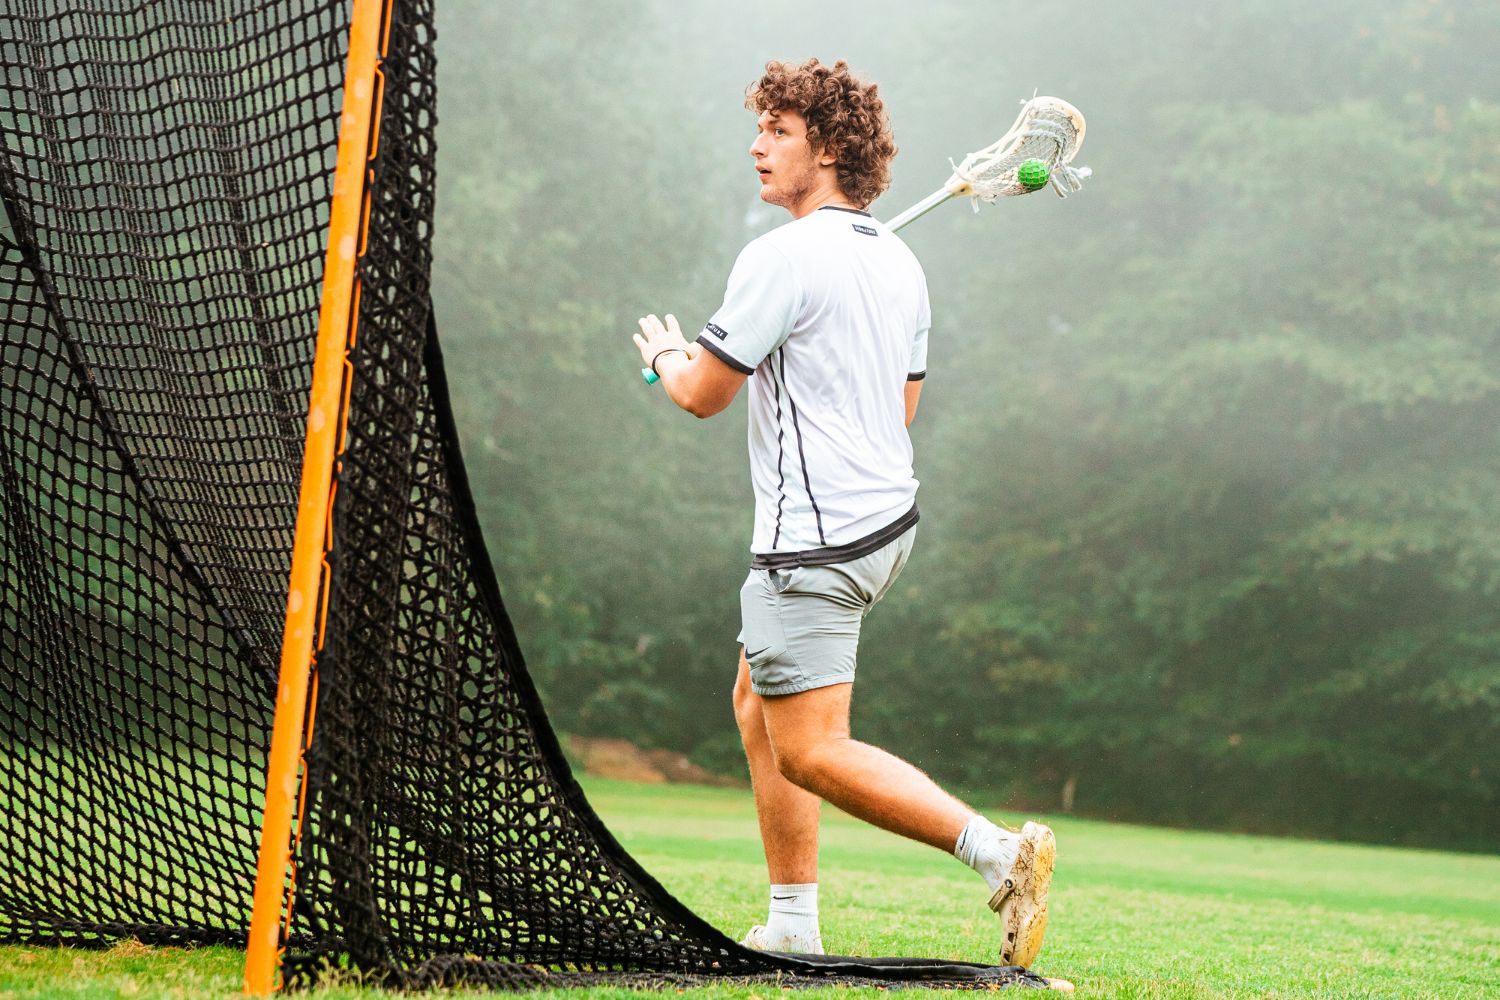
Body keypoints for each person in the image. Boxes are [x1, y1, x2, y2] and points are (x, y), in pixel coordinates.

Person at [629, 58, 1055, 969]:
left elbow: (703, 393)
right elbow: (898, 408)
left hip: (813, 545)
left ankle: (1000, 855)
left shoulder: (778, 258)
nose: (758, 145)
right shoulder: (899, 263)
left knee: (811, 750)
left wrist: (663, 355)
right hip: (884, 530)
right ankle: (792, 921)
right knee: (758, 702)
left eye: (778, 130)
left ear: (826, 148)